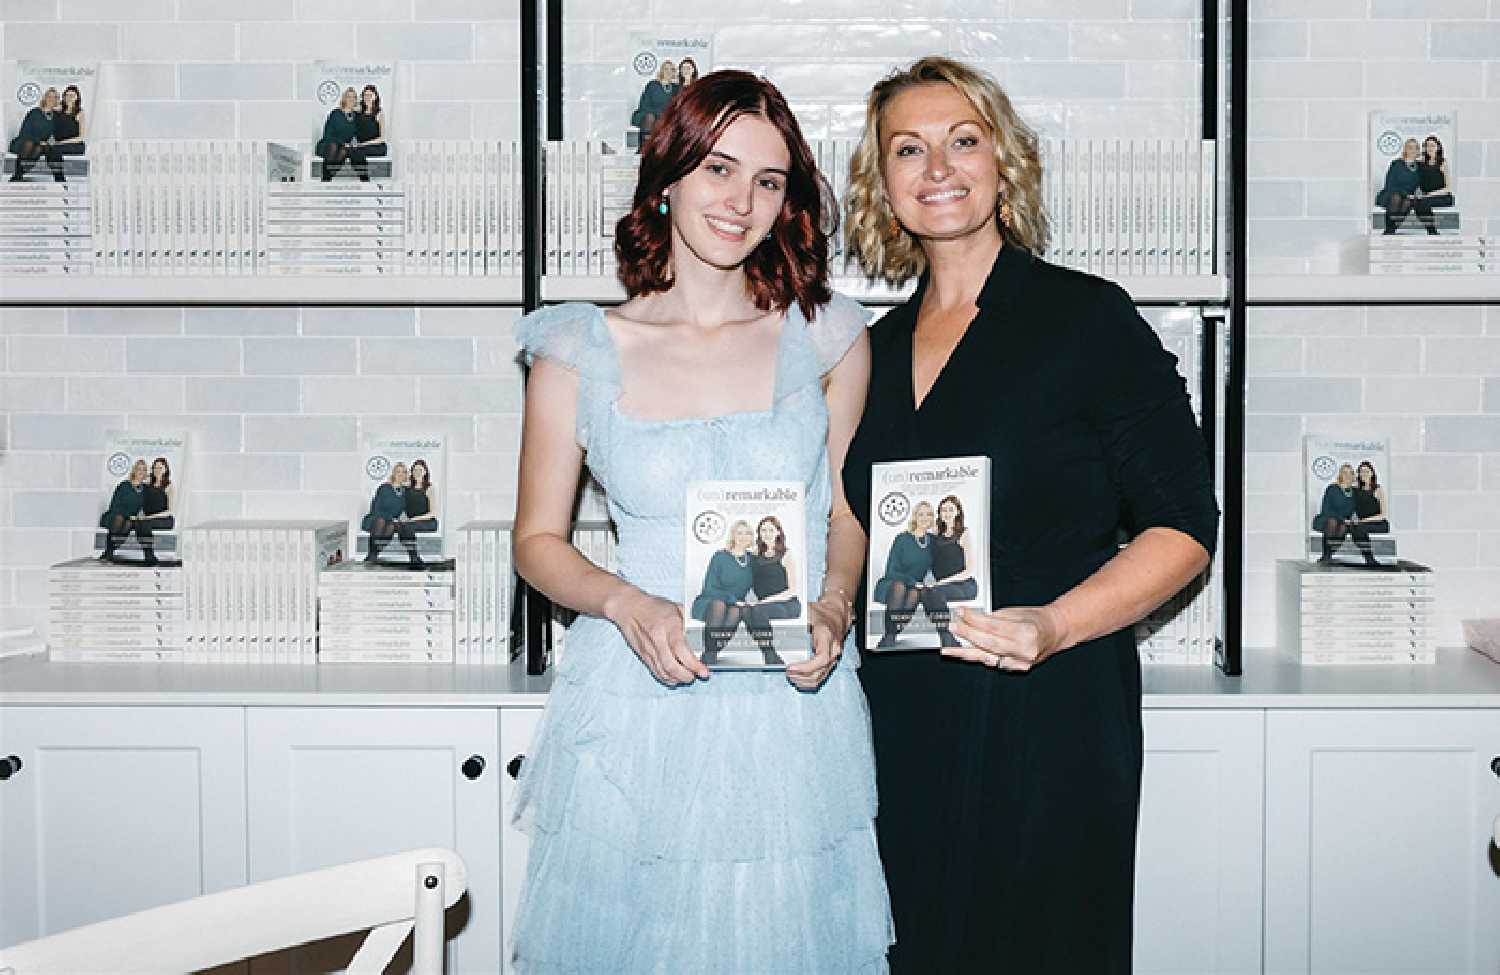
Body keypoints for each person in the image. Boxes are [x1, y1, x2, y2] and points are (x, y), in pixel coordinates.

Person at [509, 69, 892, 971]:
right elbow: (536, 542)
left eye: (769, 181)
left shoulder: (828, 336)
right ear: (669, 173)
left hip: (792, 701)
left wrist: (836, 607)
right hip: (638, 697)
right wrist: (626, 604)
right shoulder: (579, 348)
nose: (741, 202)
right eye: (719, 169)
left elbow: (845, 513)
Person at [841, 57, 1217, 973]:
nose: (938, 167)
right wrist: (820, 607)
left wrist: (1049, 626)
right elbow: (850, 523)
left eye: (963, 141)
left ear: (1003, 162)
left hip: (1048, 707)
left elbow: (1184, 526)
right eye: (909, 149)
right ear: (882, 185)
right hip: (900, 716)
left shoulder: (1088, 320)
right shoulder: (867, 351)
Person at [688, 519, 756, 665]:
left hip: (734, 605)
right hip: (710, 602)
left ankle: (710, 654)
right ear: (733, 536)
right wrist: (731, 598)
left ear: (752, 537)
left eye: (747, 533)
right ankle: (710, 654)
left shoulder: (752, 560)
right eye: (739, 533)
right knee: (720, 605)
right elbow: (709, 588)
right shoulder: (720, 557)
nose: (743, 536)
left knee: (736, 612)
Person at [872, 499, 935, 648]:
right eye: (921, 514)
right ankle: (889, 635)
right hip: (892, 584)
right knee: (900, 587)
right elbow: (890, 571)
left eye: (929, 514)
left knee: (914, 594)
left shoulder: (933, 541)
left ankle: (892, 633)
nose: (925, 518)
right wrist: (911, 581)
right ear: (915, 517)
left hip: (915, 588)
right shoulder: (902, 539)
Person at [920, 494, 977, 647]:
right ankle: (947, 636)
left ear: (958, 512)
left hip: (964, 585)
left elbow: (969, 570)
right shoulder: (935, 534)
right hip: (941, 586)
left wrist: (941, 583)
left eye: (950, 509)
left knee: (935, 592)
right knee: (924, 592)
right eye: (943, 510)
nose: (946, 513)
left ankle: (946, 638)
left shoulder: (964, 533)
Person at [743, 514, 801, 665]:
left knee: (758, 611)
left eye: (770, 530)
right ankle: (771, 654)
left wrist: (766, 601)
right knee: (746, 610)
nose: (767, 533)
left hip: (787, 603)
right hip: (763, 605)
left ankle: (769, 656)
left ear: (778, 533)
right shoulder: (754, 555)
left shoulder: (786, 555)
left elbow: (793, 590)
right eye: (763, 530)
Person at [361, 461, 412, 563]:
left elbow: (405, 510)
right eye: (398, 472)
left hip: (392, 521)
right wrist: (390, 517)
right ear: (393, 474)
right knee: (381, 521)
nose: (400, 474)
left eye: (403, 472)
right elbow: (375, 508)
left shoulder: (406, 491)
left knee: (391, 527)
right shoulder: (384, 488)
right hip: (376, 517)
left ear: (406, 475)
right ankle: (372, 555)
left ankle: (374, 554)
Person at [98, 458, 147, 562]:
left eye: (144, 470)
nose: (141, 472)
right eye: (139, 469)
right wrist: (127, 515)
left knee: (128, 524)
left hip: (130, 518)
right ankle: (109, 552)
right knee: (119, 519)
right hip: (115, 514)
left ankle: (109, 551)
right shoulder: (124, 485)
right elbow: (114, 505)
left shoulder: (144, 490)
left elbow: (144, 507)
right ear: (134, 470)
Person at [9, 87, 58, 182]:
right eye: (49, 96)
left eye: (55, 97)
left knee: (38, 148)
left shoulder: (55, 116)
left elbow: (56, 134)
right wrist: (39, 141)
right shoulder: (34, 112)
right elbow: (24, 132)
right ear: (44, 98)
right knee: (30, 143)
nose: (52, 99)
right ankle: (18, 175)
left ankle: (19, 175)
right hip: (24, 141)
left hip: (40, 145)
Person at [134, 456, 176, 567]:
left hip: (164, 519)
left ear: (165, 469)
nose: (157, 470)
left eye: (160, 468)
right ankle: (147, 554)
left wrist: (150, 517)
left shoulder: (169, 486)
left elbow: (170, 511)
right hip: (147, 518)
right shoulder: (148, 483)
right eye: (155, 468)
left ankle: (149, 555)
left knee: (144, 523)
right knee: (140, 523)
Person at [1375, 137, 1422, 235]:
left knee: (1407, 202)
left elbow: (1422, 184)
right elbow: (1389, 184)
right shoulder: (1396, 164)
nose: (1412, 150)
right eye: (1410, 147)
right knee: (1396, 198)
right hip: (1391, 192)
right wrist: (1405, 193)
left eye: (1415, 148)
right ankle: (1389, 230)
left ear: (1418, 150)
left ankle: (1391, 230)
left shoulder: (1420, 166)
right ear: (1405, 149)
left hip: (1409, 196)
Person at [1314, 462, 1358, 565]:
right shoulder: (1332, 488)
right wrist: (1342, 519)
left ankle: (1329, 554)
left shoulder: (1354, 492)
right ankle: (1326, 555)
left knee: (1343, 527)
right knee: (1332, 522)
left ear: (1353, 475)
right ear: (1340, 475)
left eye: (1350, 473)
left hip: (1344, 522)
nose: (1347, 475)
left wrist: (1354, 519)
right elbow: (1326, 509)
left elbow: (1355, 510)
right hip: (1327, 518)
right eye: (1344, 473)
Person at [630, 60, 679, 146]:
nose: (668, 72)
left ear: (673, 72)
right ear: (661, 71)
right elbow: (644, 105)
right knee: (650, 117)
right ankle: (644, 147)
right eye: (666, 69)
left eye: (671, 69)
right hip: (648, 114)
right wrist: (659, 114)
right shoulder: (653, 85)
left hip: (666, 117)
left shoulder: (676, 87)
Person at [316, 87, 360, 182]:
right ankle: (326, 179)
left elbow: (357, 134)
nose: (351, 99)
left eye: (354, 97)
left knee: (344, 151)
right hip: (328, 144)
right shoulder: (335, 113)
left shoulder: (357, 116)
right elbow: (327, 134)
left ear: (356, 100)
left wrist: (354, 142)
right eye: (348, 97)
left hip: (344, 147)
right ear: (344, 99)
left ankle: (328, 177)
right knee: (334, 146)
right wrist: (342, 143)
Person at [1414, 134, 1453, 235]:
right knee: (1418, 203)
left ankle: (1432, 232)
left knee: (1423, 203)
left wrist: (1430, 194)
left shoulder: (1443, 163)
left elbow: (1448, 188)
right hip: (1426, 197)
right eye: (1427, 146)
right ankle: (1431, 231)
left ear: (1438, 147)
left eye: (1432, 145)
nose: (1429, 148)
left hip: (1442, 196)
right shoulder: (1421, 163)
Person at [353, 84, 387, 181]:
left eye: (370, 95)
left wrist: (363, 144)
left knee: (356, 152)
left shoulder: (379, 113)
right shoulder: (358, 111)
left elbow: (382, 138)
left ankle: (365, 180)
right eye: (365, 95)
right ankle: (364, 179)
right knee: (353, 151)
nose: (367, 98)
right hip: (361, 145)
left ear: (375, 97)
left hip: (377, 146)